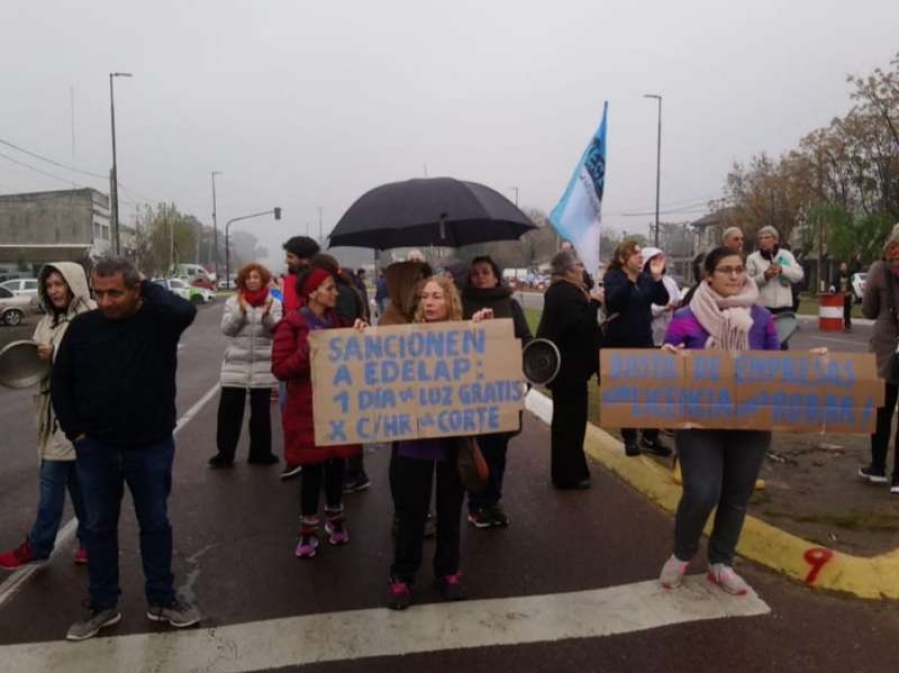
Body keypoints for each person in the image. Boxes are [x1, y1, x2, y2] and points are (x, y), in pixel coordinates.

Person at [51, 256, 199, 641]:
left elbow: (184, 309)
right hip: (95, 449)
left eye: (115, 292)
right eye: (99, 293)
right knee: (98, 527)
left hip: (150, 446)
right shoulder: (82, 328)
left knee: (155, 523)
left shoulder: (158, 322)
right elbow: (61, 382)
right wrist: (76, 434)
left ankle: (162, 598)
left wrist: (147, 285)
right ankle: (103, 605)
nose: (106, 302)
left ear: (137, 290)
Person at [658, 246, 781, 595]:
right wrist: (670, 357)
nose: (734, 275)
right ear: (708, 276)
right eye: (726, 269)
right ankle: (682, 554)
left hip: (750, 423)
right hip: (699, 423)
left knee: (737, 494)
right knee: (702, 491)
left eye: (739, 269)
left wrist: (811, 365)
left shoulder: (761, 318)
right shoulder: (686, 317)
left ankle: (721, 563)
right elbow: (667, 361)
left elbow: (777, 367)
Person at [385, 276, 493, 610]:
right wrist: (360, 334)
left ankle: (448, 572)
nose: (429, 302)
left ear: (450, 302)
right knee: (411, 512)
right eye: (425, 297)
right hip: (413, 440)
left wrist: (482, 331)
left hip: (452, 441)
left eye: (436, 296)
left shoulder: (466, 334)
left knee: (449, 512)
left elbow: (484, 367)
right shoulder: (403, 338)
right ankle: (402, 576)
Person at [0, 263, 94, 571]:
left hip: (76, 419)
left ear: (74, 284)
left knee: (51, 484)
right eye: (50, 284)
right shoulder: (47, 322)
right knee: (80, 487)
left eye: (60, 283)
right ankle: (91, 542)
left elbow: (93, 363)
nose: (54, 290)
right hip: (49, 416)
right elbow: (35, 364)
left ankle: (39, 545)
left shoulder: (88, 317)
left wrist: (53, 356)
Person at [271, 268, 362, 558]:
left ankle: (336, 520)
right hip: (305, 410)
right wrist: (305, 352)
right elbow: (281, 368)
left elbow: (358, 362)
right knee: (311, 470)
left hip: (337, 406)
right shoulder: (292, 324)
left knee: (337, 465)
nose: (335, 293)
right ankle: (307, 531)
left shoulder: (340, 322)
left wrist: (359, 336)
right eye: (329, 288)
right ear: (312, 293)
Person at [461, 255, 533, 527]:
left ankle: (493, 500)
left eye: (485, 272)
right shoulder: (462, 304)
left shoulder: (511, 304)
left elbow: (526, 338)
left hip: (502, 389)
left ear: (496, 276)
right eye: (475, 273)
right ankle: (476, 505)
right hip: (471, 390)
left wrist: (527, 369)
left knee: (498, 449)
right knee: (475, 451)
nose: (480, 277)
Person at [536, 250, 603, 489]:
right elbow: (578, 327)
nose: (581, 269)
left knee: (570, 422)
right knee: (570, 424)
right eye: (577, 266)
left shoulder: (565, 291)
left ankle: (570, 470)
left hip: (569, 370)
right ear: (567, 271)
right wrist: (594, 303)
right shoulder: (563, 293)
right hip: (568, 371)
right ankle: (568, 474)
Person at [208, 263, 282, 468]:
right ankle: (225, 454)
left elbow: (276, 330)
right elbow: (227, 329)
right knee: (229, 412)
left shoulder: (273, 302)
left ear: (263, 280)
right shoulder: (233, 302)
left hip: (262, 362)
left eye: (256, 277)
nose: (252, 281)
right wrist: (240, 312)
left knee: (260, 413)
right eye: (248, 277)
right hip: (236, 363)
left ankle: (260, 452)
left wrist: (267, 317)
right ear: (243, 281)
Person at [602, 241, 671, 457]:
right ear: (623, 259)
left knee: (652, 392)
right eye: (635, 255)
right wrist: (630, 281)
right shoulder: (614, 277)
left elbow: (662, 299)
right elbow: (614, 302)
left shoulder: (645, 278)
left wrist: (658, 278)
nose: (640, 258)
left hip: (644, 341)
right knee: (628, 393)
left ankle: (650, 436)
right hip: (621, 343)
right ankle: (630, 438)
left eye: (641, 254)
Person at [309, 253, 371, 493]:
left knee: (348, 419)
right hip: (343, 366)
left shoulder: (343, 294)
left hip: (345, 367)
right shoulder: (348, 290)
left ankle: (354, 472)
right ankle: (352, 470)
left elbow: (342, 331)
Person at [860, 223, 899, 494]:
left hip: (886, 347)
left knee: (882, 409)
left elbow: (869, 311)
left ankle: (877, 467)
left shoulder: (879, 269)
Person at [279, 236, 321, 479]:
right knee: (290, 409)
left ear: (304, 259)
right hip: (293, 354)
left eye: (291, 257)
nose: (287, 261)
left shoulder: (314, 282)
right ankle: (297, 456)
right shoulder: (290, 281)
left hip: (311, 353)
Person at [746, 226, 804, 346]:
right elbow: (748, 283)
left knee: (781, 343)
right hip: (763, 309)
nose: (763, 241)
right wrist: (765, 276)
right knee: (763, 343)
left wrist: (782, 269)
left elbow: (799, 275)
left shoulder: (786, 255)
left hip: (783, 309)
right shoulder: (752, 258)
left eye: (767, 237)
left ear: (776, 240)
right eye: (760, 238)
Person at [640, 247, 681, 347]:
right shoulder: (642, 281)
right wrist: (662, 308)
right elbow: (642, 308)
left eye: (661, 259)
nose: (659, 263)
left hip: (668, 333)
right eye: (655, 260)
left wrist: (675, 305)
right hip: (649, 335)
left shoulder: (669, 281)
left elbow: (677, 298)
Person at [836, 261, 853, 332]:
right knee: (839, 310)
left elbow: (855, 269)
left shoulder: (848, 274)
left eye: (845, 266)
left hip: (847, 294)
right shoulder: (837, 275)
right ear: (840, 268)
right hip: (840, 294)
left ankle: (847, 323)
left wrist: (857, 261)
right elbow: (835, 283)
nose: (844, 268)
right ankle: (838, 322)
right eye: (842, 266)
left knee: (847, 309)